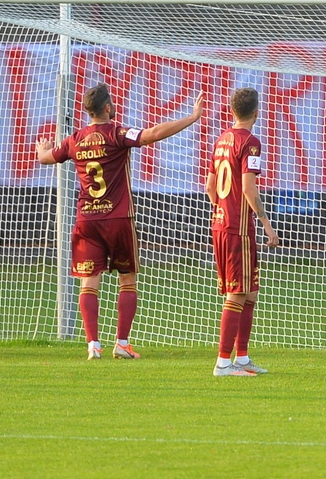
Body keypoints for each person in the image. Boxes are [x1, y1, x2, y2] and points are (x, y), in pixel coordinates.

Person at [35, 83, 204, 361]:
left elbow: (45, 158)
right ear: (107, 107)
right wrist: (191, 117)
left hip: (87, 220)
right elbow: (152, 134)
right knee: (127, 279)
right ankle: (122, 343)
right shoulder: (117, 133)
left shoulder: (75, 139)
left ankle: (93, 345)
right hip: (118, 218)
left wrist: (43, 148)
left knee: (89, 283)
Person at [207, 87, 280, 377]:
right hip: (238, 228)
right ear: (256, 112)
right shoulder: (250, 142)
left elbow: (210, 187)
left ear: (232, 111)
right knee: (238, 294)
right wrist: (266, 224)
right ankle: (223, 362)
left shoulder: (222, 139)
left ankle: (242, 358)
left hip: (220, 223)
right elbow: (249, 189)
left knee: (249, 293)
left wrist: (223, 208)